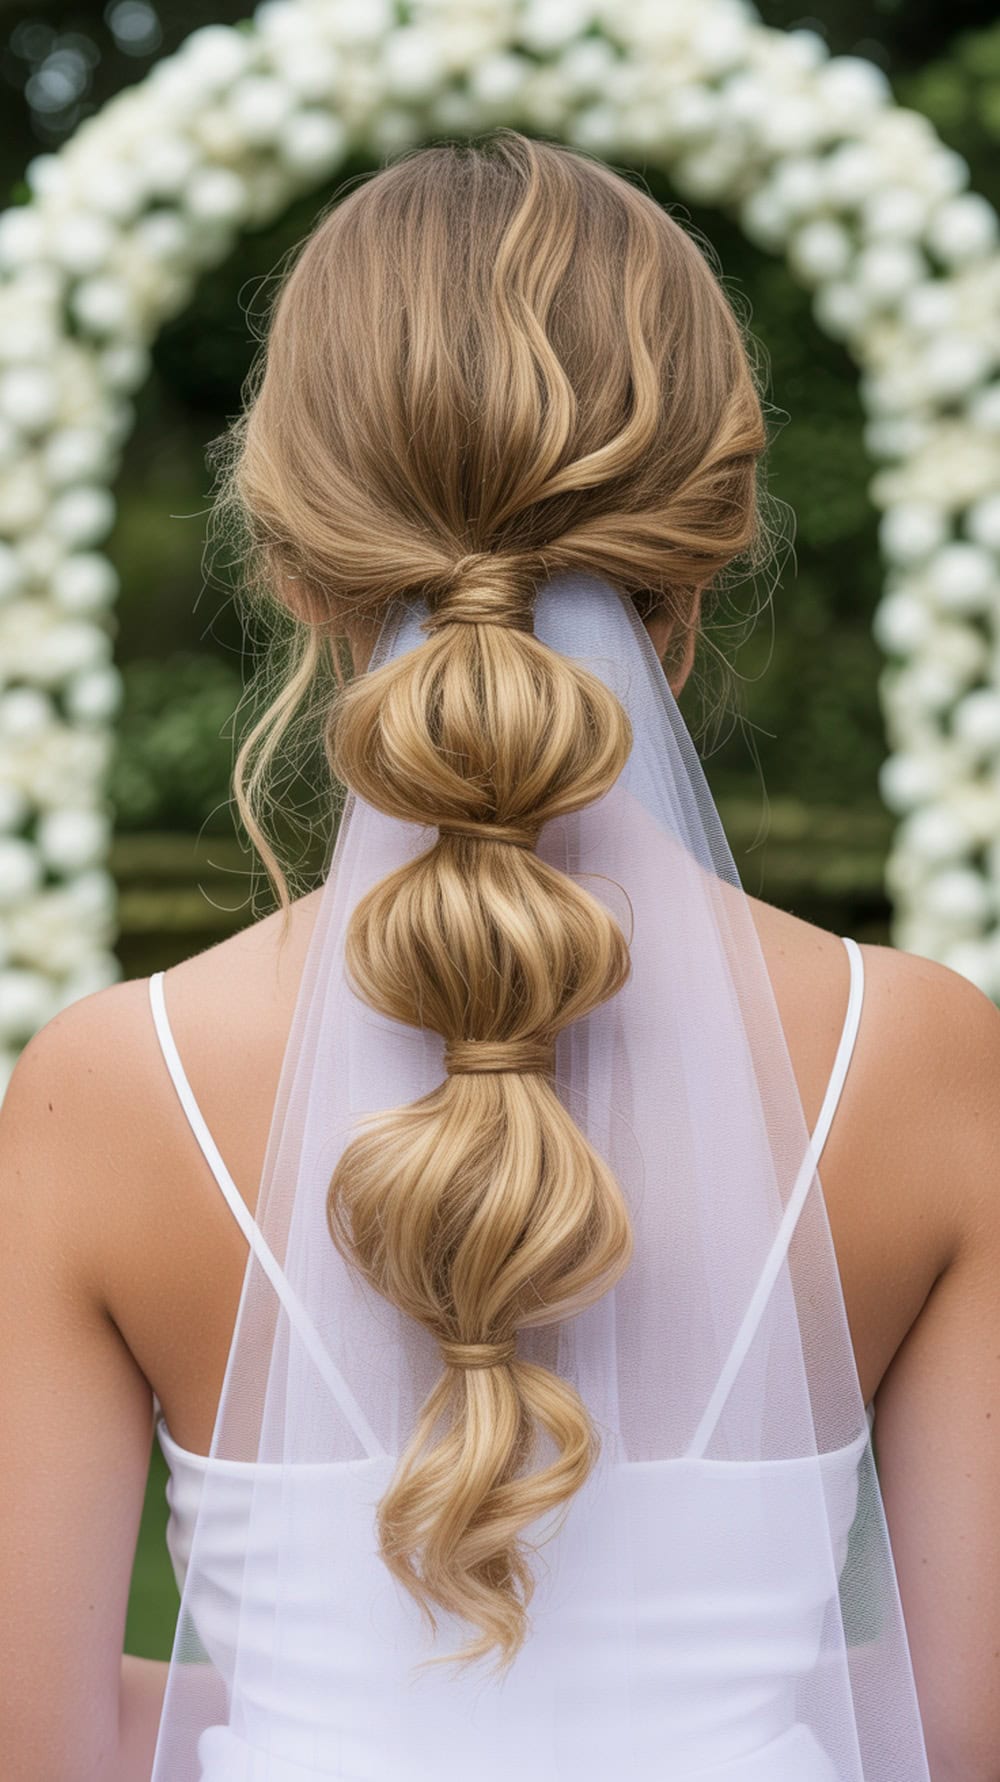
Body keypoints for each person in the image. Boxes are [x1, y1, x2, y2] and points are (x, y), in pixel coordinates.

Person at [1, 128, 998, 1782]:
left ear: (296, 560)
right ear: (708, 549)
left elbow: (33, 1748)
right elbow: (967, 1729)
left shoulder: (105, 1089)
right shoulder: (919, 1053)